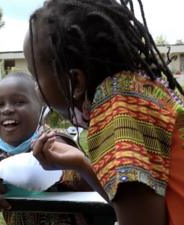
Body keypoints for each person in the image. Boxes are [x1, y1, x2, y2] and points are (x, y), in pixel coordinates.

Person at [24, 0, 184, 225]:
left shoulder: (116, 114)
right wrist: (81, 164)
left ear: (75, 81)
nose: (34, 88)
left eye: (35, 76)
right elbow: (138, 204)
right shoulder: (138, 90)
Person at [0, 72, 92, 225]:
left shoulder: (54, 141)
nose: (7, 109)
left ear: (40, 109)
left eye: (19, 102)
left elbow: (31, 174)